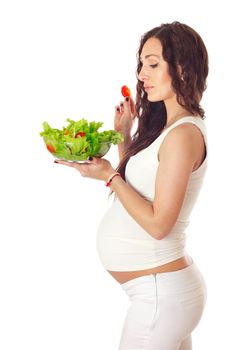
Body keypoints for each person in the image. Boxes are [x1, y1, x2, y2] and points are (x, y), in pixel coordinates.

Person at [55, 21, 209, 350]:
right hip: (162, 294)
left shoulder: (183, 135)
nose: (141, 74)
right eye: (141, 64)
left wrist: (110, 176)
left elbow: (158, 225)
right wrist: (124, 138)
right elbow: (140, 190)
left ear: (182, 68)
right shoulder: (172, 128)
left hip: (160, 297)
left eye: (153, 64)